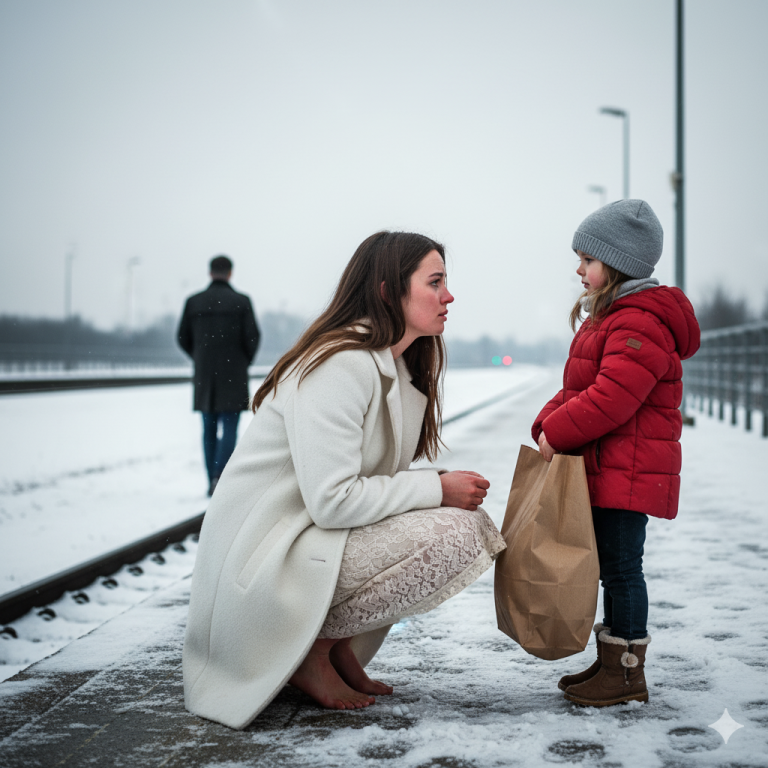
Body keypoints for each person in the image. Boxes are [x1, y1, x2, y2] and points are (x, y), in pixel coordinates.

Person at [183, 231, 505, 730]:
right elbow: (333, 500)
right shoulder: (340, 364)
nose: (448, 296)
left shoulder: (390, 367)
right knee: (455, 532)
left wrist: (433, 487)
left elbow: (366, 486)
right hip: (262, 569)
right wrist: (436, 489)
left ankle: (333, 652)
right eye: (435, 281)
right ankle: (312, 649)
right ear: (386, 291)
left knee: (460, 520)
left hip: (298, 544)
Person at [532, 200, 700, 707]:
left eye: (587, 260)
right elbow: (581, 386)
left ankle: (627, 675)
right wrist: (546, 420)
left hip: (625, 473)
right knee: (612, 566)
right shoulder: (615, 318)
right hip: (612, 468)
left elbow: (610, 399)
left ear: (617, 263)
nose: (579, 270)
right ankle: (612, 661)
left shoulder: (639, 323)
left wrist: (558, 433)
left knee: (623, 569)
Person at [177, 255, 261, 497]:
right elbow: (253, 337)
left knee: (208, 428)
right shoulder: (241, 302)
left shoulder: (194, 302)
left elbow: (182, 337)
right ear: (230, 273)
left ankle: (210, 479)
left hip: (205, 376)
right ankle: (219, 478)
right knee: (230, 427)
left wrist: (200, 357)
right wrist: (242, 361)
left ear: (210, 272)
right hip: (233, 375)